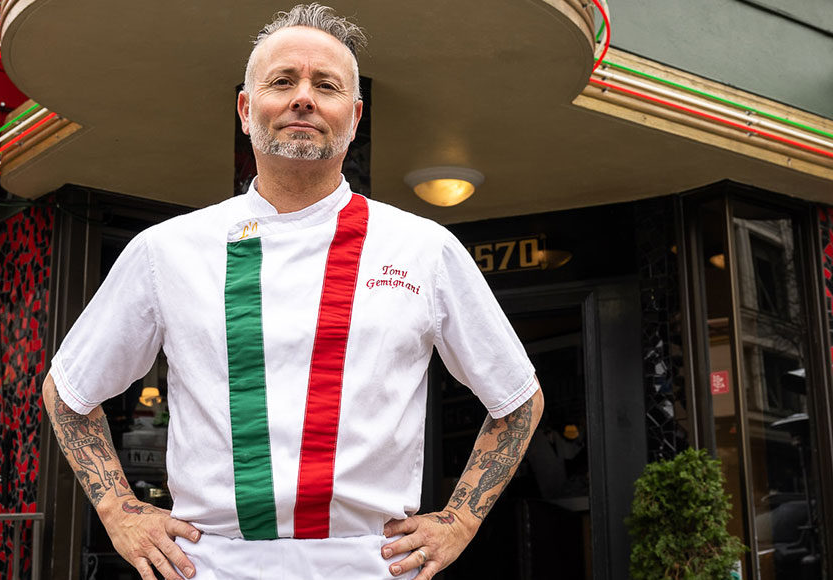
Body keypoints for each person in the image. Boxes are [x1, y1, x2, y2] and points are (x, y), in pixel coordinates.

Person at [41, 4, 544, 579]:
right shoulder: (167, 250)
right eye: (282, 81)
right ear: (245, 108)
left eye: (325, 86)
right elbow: (70, 392)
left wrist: (459, 523)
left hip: (368, 563)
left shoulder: (423, 249)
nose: (303, 98)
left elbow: (518, 399)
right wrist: (119, 510)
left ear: (353, 117)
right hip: (209, 564)